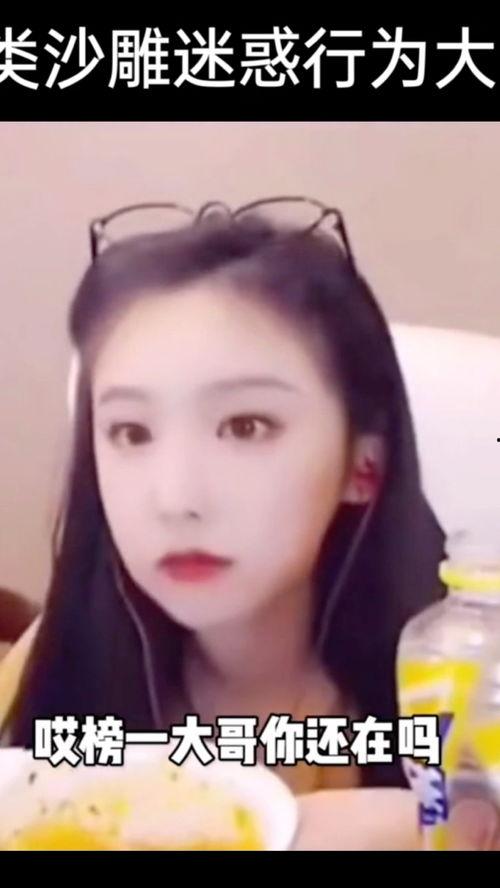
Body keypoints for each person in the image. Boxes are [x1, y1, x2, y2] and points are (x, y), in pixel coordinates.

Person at [0, 197, 447, 847]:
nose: (176, 498)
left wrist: (434, 832)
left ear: (365, 466)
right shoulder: (61, 659)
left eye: (246, 426)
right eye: (131, 432)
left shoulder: (464, 685)